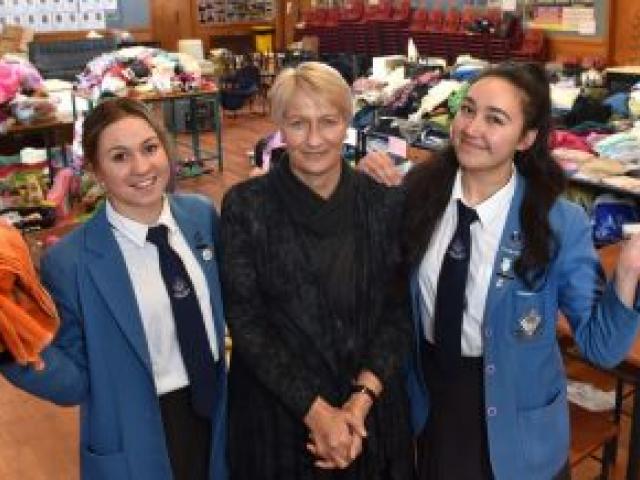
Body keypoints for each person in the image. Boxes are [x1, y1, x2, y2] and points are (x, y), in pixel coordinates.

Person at [358, 61, 640, 480]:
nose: (472, 128)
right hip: (430, 406)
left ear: (526, 138)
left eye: (495, 119)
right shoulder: (417, 194)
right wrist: (362, 189)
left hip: (517, 425)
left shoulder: (558, 223)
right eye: (468, 110)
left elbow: (601, 347)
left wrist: (629, 271)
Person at [0, 97, 227, 480]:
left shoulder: (201, 216)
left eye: (150, 148)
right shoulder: (71, 261)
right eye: (119, 157)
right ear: (96, 170)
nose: (141, 168)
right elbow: (73, 382)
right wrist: (10, 347)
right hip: (135, 435)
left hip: (220, 417)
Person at [220, 61, 414, 480]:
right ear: (278, 127)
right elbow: (247, 324)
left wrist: (359, 402)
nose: (313, 140)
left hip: (371, 418)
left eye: (327, 122)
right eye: (297, 123)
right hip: (280, 421)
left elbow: (397, 315)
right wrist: (318, 412)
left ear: (347, 121)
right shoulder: (245, 206)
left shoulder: (383, 204)